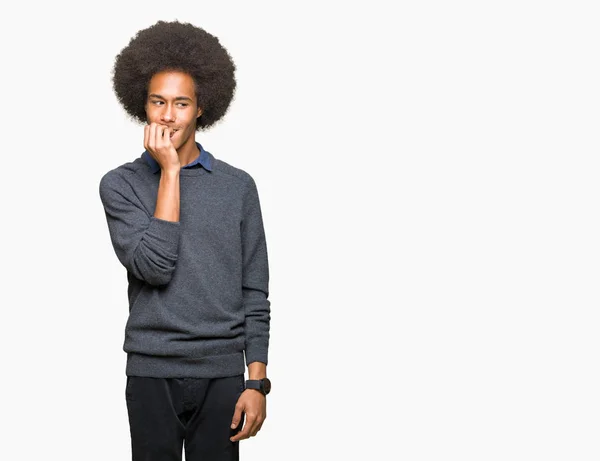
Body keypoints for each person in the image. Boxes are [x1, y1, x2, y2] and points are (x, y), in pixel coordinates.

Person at [98, 20, 272, 461]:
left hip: (222, 374)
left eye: (181, 103)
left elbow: (254, 290)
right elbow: (156, 266)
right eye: (159, 102)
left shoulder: (237, 187)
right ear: (144, 106)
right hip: (152, 371)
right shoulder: (121, 185)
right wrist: (171, 171)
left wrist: (256, 382)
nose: (168, 115)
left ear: (200, 108)